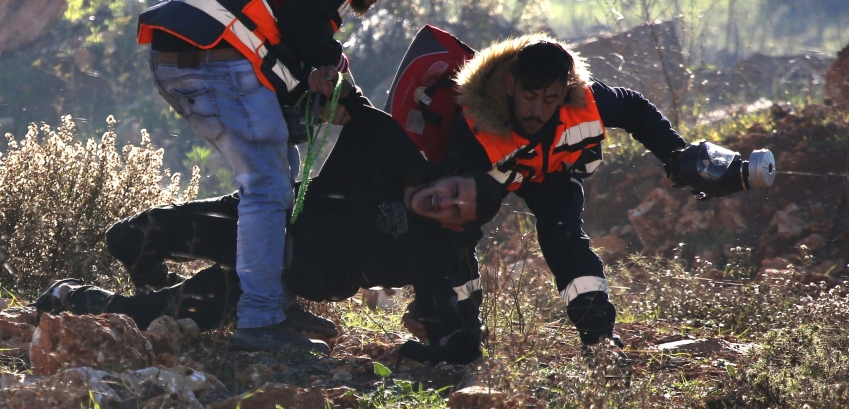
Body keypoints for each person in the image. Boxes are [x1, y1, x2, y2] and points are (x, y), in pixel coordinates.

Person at [33, 85, 501, 363]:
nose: (445, 203)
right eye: (454, 190)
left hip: (274, 280)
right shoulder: (395, 157)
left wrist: (437, 345)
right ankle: (165, 283)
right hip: (259, 217)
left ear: (456, 227)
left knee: (151, 318)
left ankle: (73, 296)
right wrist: (322, 79)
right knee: (128, 237)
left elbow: (454, 329)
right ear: (447, 174)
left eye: (457, 211)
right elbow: (353, 104)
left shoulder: (432, 250)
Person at [136, 0, 416, 350]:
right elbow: (304, 24)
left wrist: (314, 74)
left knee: (279, 177)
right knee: (267, 187)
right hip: (215, 57)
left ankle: (277, 303)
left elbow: (286, 32)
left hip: (183, 58)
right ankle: (261, 320)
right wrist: (332, 67)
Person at [447, 34, 688, 347]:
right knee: (457, 233)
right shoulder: (471, 123)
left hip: (549, 174)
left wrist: (676, 154)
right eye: (529, 96)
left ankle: (599, 338)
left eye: (550, 99)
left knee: (566, 240)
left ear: (565, 91)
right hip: (489, 179)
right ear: (510, 86)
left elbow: (633, 108)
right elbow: (442, 204)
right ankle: (459, 331)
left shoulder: (584, 97)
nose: (537, 110)